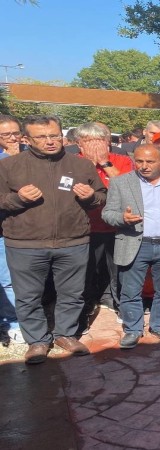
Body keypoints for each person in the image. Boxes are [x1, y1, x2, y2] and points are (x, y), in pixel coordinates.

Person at [0, 115, 107, 364]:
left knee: (72, 293)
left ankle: (66, 334)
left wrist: (91, 197)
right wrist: (17, 199)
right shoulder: (9, 166)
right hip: (25, 243)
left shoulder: (81, 165)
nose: (50, 141)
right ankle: (37, 341)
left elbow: (101, 195)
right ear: (26, 139)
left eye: (54, 135)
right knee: (28, 296)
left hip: (73, 241)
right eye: (41, 137)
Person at [102, 144, 160, 349]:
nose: (144, 166)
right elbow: (107, 213)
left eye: (150, 162)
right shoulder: (120, 182)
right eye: (139, 161)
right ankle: (133, 329)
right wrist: (122, 218)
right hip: (135, 243)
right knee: (130, 291)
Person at [75, 122, 134, 332]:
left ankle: (122, 306)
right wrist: (89, 166)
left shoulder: (122, 161)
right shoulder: (73, 163)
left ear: (108, 142)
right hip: (85, 228)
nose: (94, 145)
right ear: (79, 144)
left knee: (120, 271)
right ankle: (84, 310)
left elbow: (129, 187)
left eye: (99, 140)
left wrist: (104, 163)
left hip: (117, 227)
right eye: (88, 141)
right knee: (85, 273)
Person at [0, 115, 22, 344]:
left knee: (7, 279)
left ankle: (12, 322)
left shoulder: (27, 156)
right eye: (6, 134)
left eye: (16, 133)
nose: (13, 138)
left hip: (8, 229)